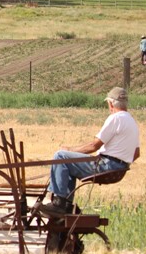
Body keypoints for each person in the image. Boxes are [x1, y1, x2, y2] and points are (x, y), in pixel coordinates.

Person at [43, 86, 140, 214]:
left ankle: (59, 203)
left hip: (106, 165)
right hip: (118, 169)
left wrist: (69, 149)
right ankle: (66, 204)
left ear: (111, 103)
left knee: (61, 156)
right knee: (68, 165)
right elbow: (136, 153)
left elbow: (94, 145)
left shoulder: (116, 118)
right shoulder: (132, 122)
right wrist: (121, 161)